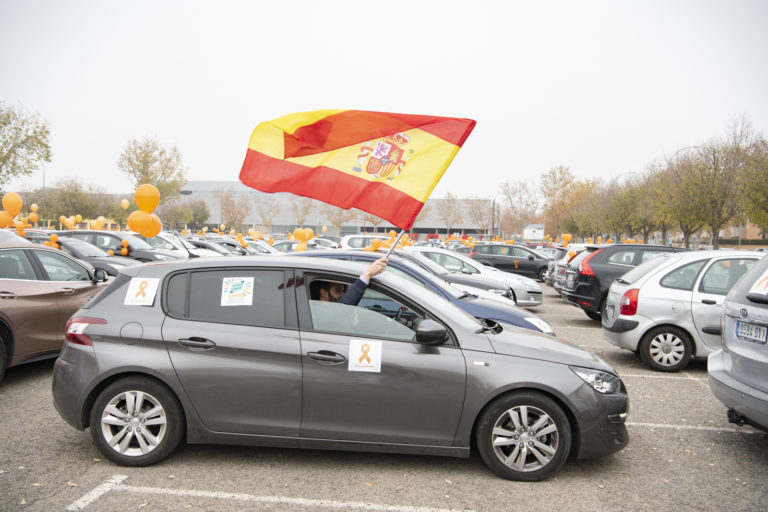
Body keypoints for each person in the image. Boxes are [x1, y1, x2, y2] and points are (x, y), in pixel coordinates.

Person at [312, 256, 388, 305]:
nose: (342, 294)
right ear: (324, 293)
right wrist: (367, 274)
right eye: (337, 290)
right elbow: (343, 307)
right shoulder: (319, 312)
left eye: (343, 290)